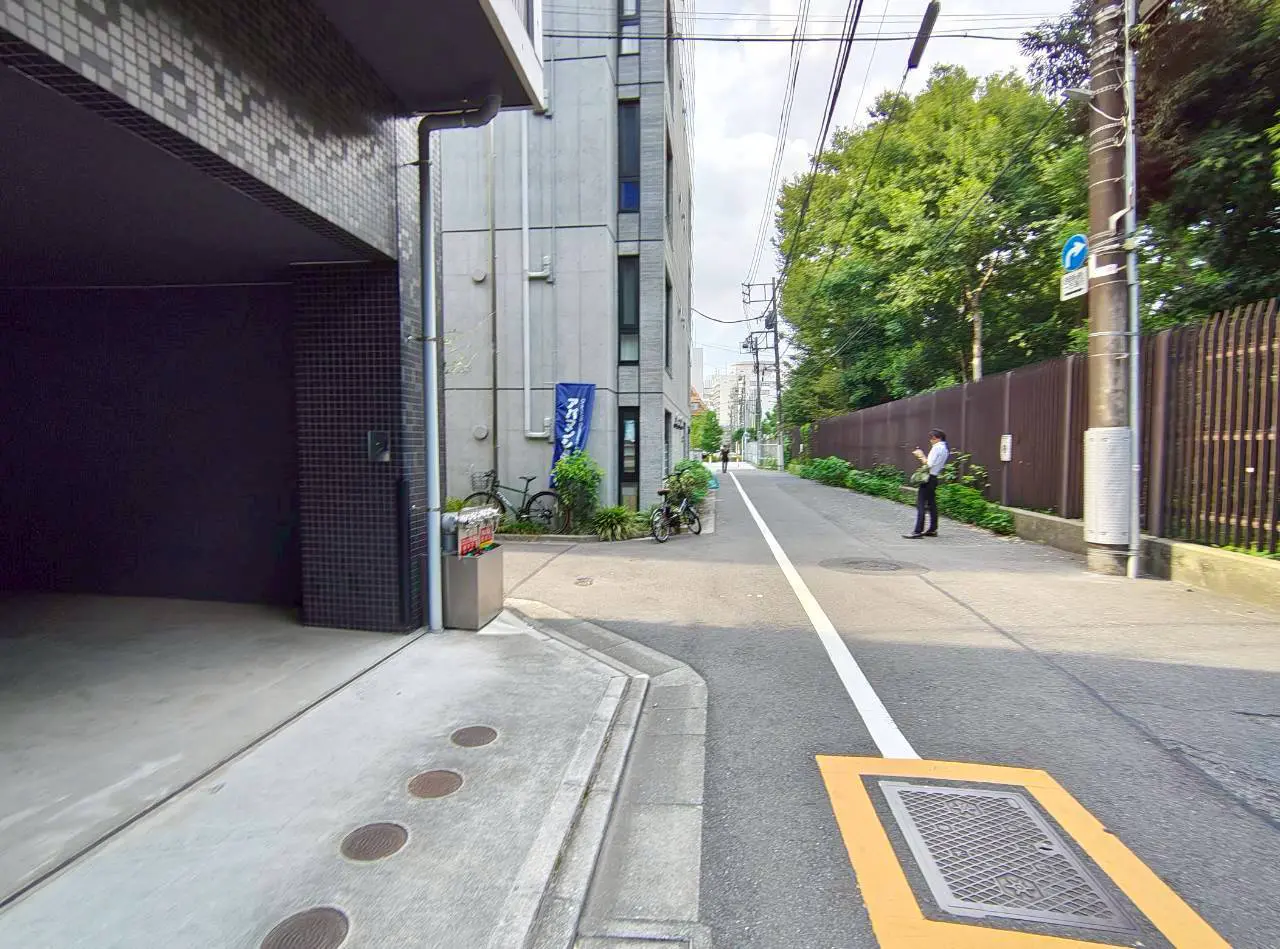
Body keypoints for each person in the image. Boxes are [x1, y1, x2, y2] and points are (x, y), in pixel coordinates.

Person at [904, 429, 949, 539]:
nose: (930, 440)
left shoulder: (936, 448)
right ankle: (932, 529)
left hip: (927, 478)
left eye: (932, 438)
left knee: (921, 504)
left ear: (937, 438)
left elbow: (928, 464)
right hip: (934, 478)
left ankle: (917, 531)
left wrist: (920, 455)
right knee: (932, 504)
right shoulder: (945, 448)